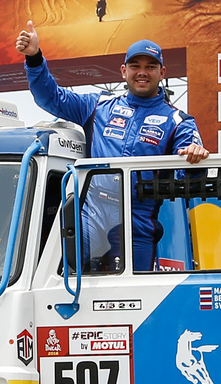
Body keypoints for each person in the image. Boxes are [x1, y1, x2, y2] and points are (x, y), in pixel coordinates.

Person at [15, 23, 208, 270]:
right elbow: (51, 97)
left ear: (162, 73)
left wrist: (195, 158)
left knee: (132, 287)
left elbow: (189, 174)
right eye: (135, 66)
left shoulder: (178, 121)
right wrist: (34, 58)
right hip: (92, 209)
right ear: (123, 70)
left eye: (150, 67)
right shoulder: (98, 105)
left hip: (138, 217)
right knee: (62, 271)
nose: (142, 72)